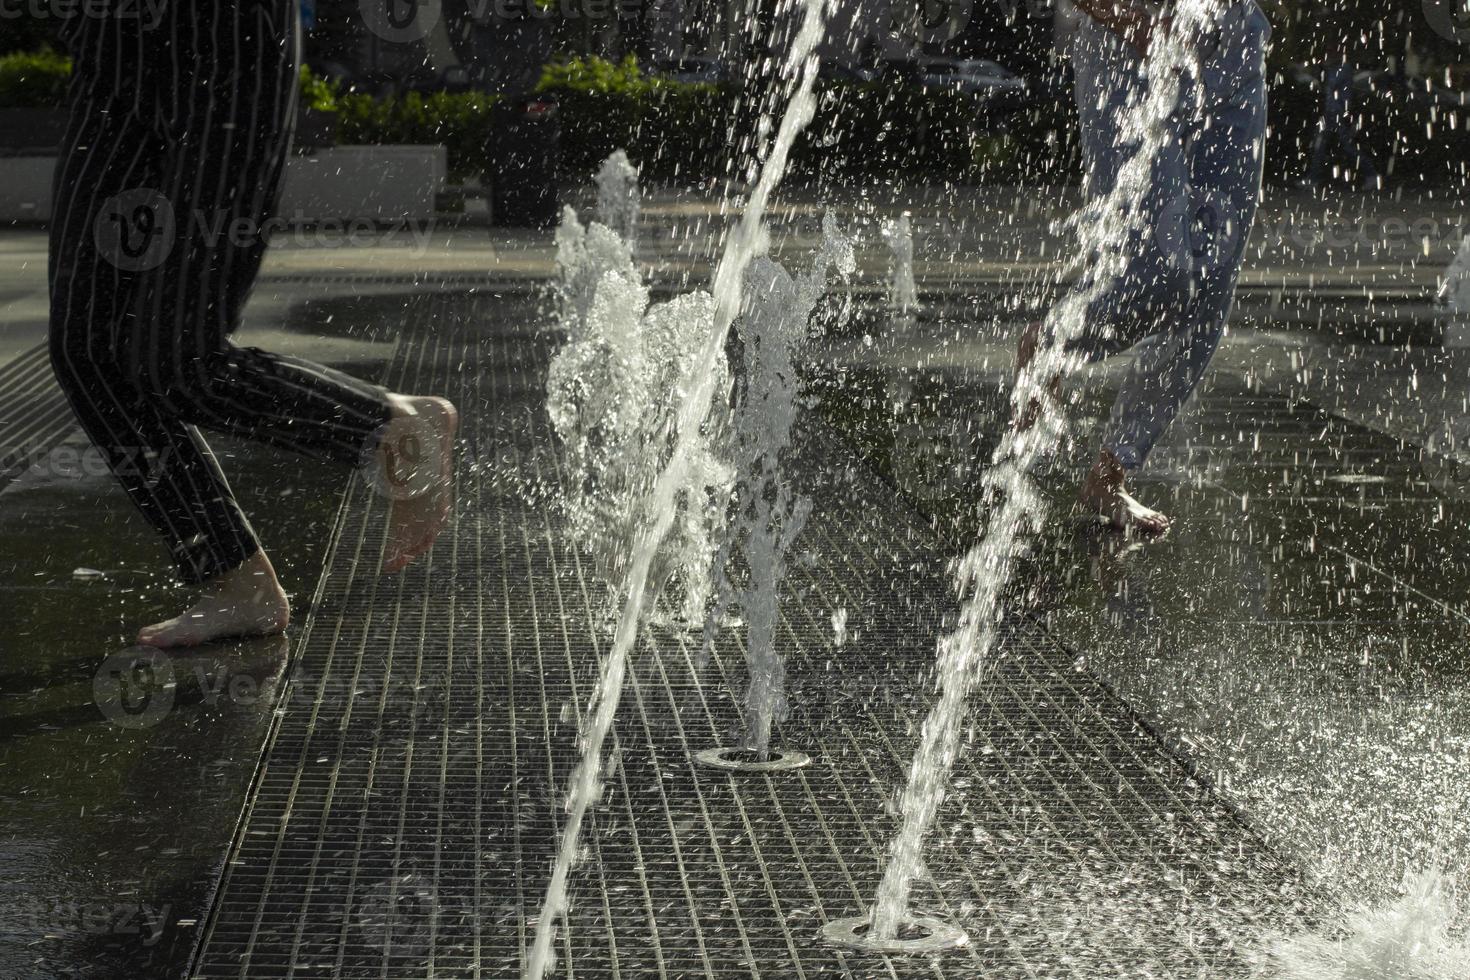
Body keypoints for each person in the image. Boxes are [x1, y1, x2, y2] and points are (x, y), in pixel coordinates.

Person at [48, 2, 458, 648]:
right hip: (108, 52)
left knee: (181, 361)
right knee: (87, 350)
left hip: (223, 42)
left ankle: (391, 428)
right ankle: (237, 581)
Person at [1020, 0, 1271, 533]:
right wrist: (1129, 17)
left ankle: (1110, 475)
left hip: (1234, 39)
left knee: (1210, 288)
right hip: (1128, 36)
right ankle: (1054, 345)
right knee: (1163, 270)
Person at [1306, 34, 1378, 189]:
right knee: (1322, 145)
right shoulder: (1334, 67)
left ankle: (1371, 175)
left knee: (1345, 146)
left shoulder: (1343, 68)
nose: (1330, 53)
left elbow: (1331, 85)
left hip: (1338, 112)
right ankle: (1313, 178)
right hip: (1331, 112)